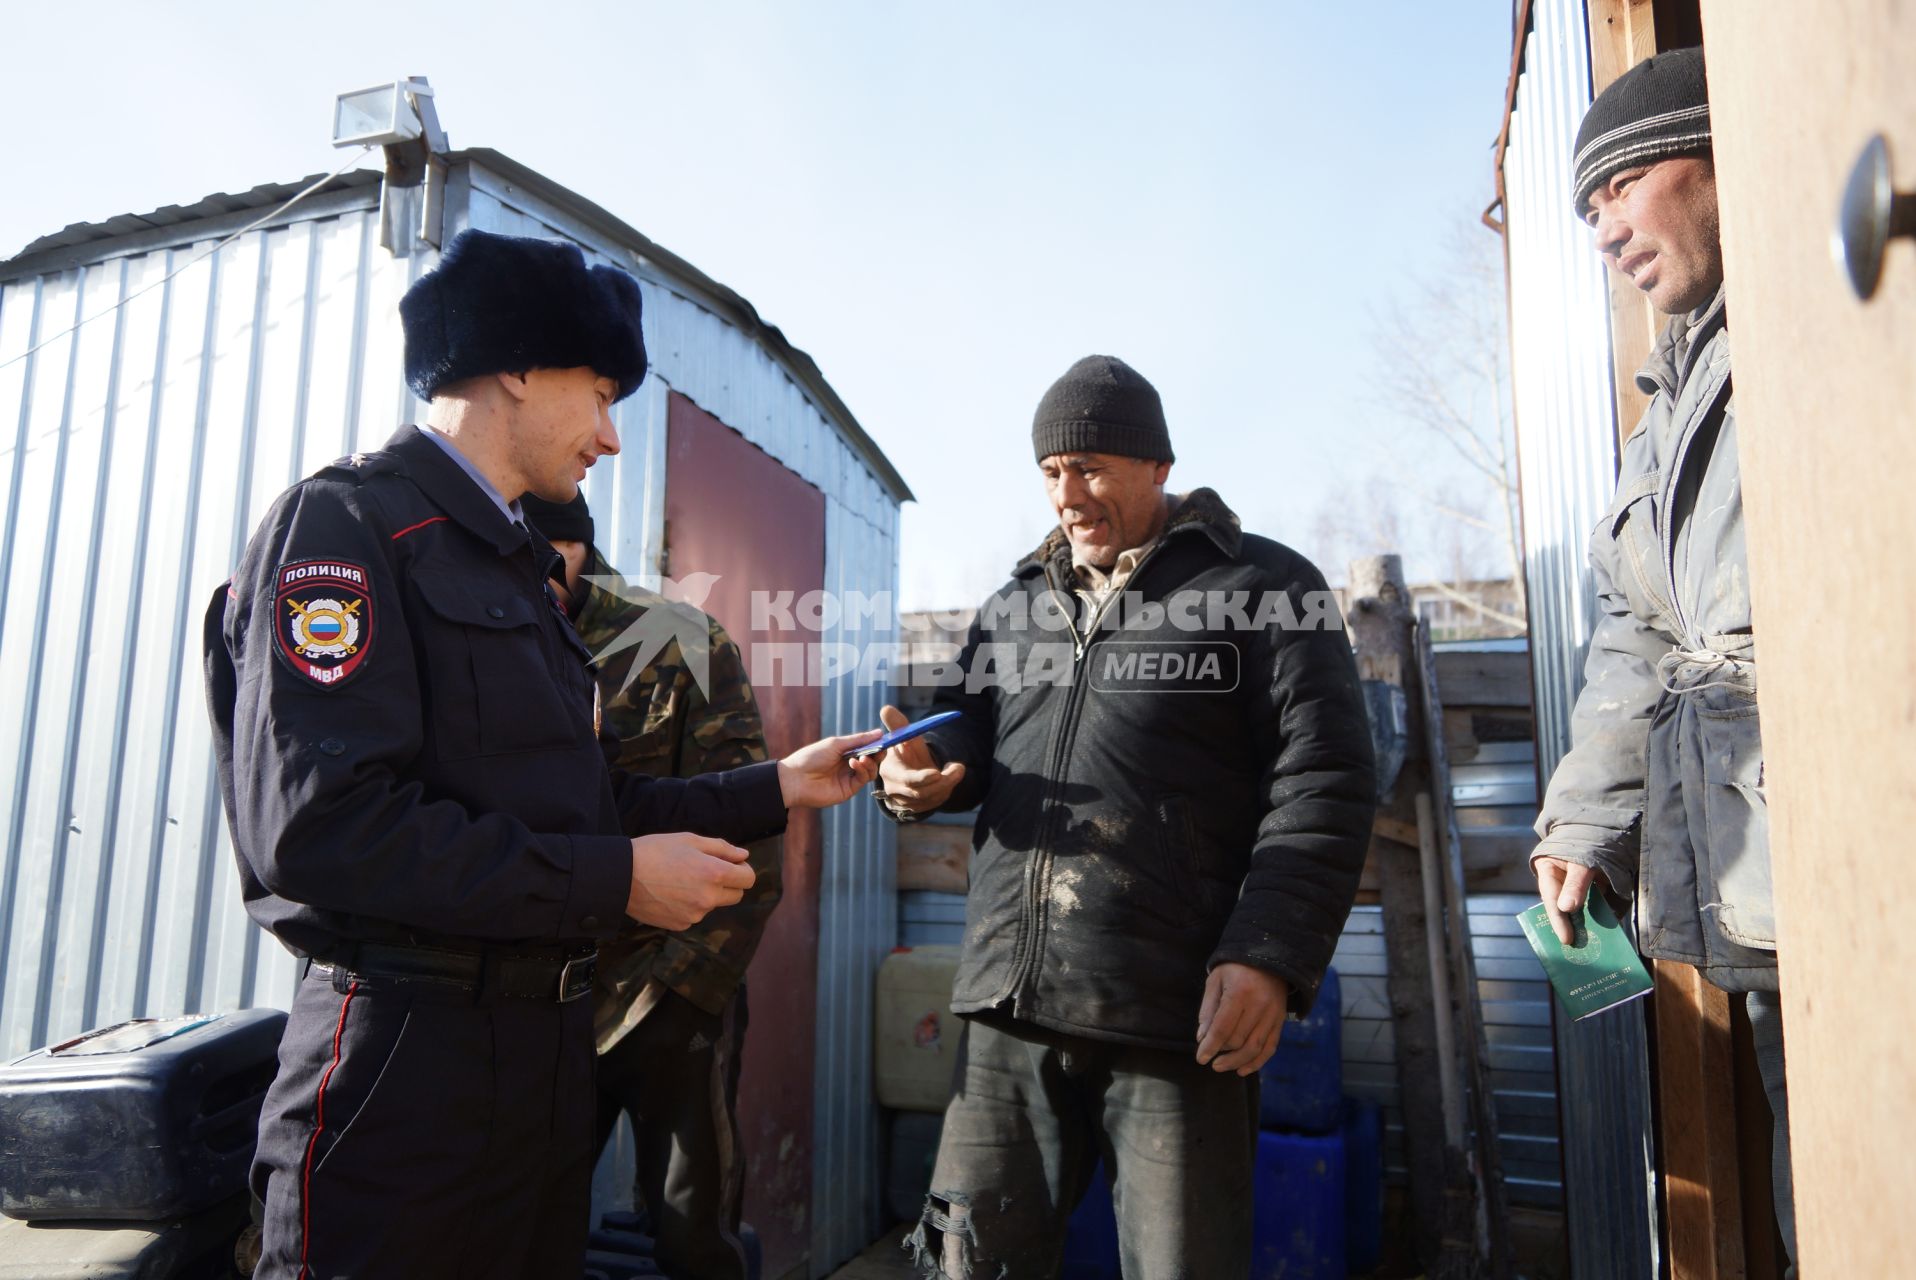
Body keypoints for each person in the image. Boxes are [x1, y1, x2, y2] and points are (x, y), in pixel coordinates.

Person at [201, 229, 880, 1280]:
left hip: (540, 1062)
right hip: (406, 1068)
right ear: (515, 365)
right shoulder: (343, 526)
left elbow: (580, 801)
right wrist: (614, 881)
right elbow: (323, 825)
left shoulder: (521, 567)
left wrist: (775, 784)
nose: (611, 438)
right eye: (602, 392)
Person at [878, 355, 1376, 1278]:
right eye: (1050, 473)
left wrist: (1268, 953)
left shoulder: (1265, 585)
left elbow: (1329, 779)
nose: (1067, 496)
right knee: (969, 1262)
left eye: (1092, 468)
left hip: (1175, 1013)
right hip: (1010, 1005)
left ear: (1158, 465)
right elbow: (963, 739)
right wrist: (923, 778)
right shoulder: (1015, 603)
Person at [1530, 46, 1795, 1273]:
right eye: (1587, 210)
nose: (1602, 231)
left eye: (1621, 184)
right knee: (1827, 1182)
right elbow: (1632, 631)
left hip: (1849, 850)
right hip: (1754, 864)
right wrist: (1582, 820)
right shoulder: (1666, 403)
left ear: (1718, 151)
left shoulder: (1829, 318)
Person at [522, 489, 774, 1280]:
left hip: (665, 992)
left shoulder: (677, 640)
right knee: (522, 1230)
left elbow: (747, 830)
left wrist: (685, 991)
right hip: (534, 1000)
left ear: (567, 549)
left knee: (691, 1235)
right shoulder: (492, 636)